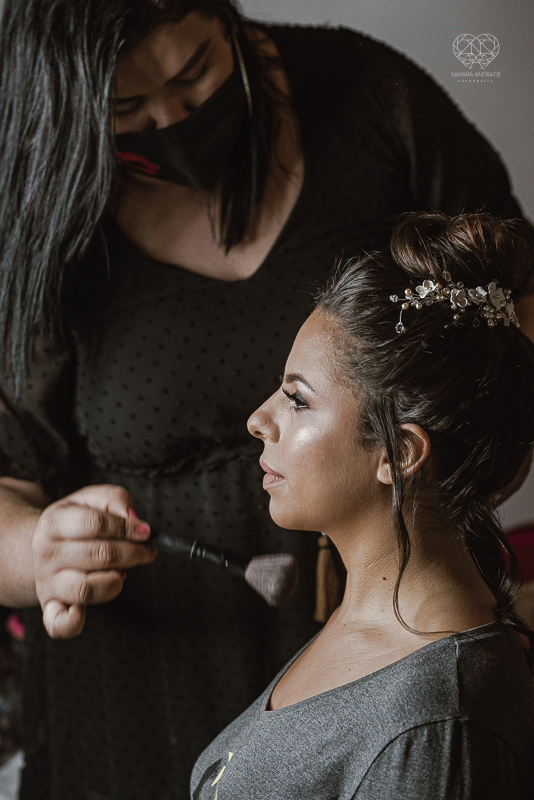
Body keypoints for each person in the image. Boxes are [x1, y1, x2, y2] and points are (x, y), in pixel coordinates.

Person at [0, 1, 531, 797]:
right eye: (127, 108)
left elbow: (506, 325)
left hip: (384, 658)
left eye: (194, 75)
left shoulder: (365, 96)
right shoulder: (43, 209)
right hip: (138, 695)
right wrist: (39, 549)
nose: (174, 118)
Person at [192, 211, 534, 799]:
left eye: (297, 400)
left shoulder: (435, 727)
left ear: (398, 452)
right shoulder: (365, 625)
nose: (258, 420)